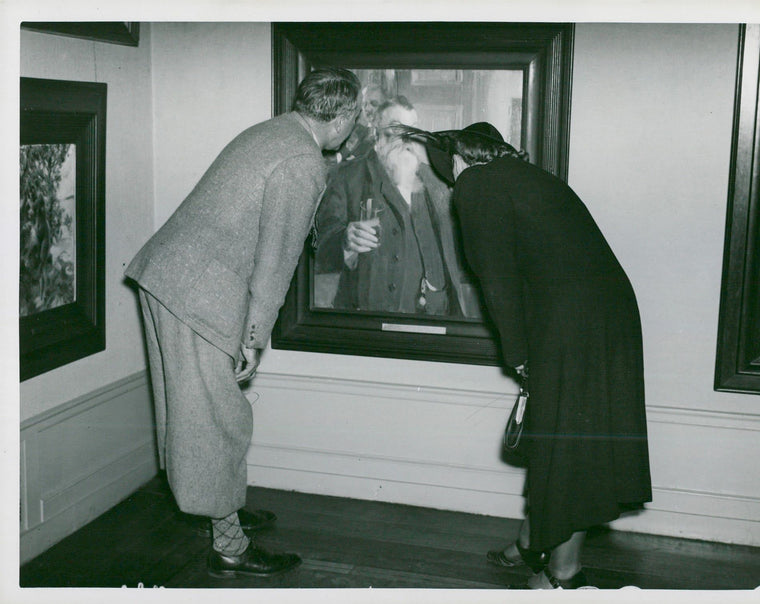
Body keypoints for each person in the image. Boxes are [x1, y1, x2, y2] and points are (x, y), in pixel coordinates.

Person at [124, 67, 361, 579]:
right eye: (355, 115)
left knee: (190, 415)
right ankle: (229, 546)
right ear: (341, 117)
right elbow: (275, 262)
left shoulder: (274, 130)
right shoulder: (303, 162)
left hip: (168, 275)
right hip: (196, 291)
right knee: (217, 419)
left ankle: (219, 507)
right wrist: (255, 336)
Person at [403, 122, 652, 589]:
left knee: (569, 444)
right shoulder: (525, 175)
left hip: (573, 323)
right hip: (604, 316)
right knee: (560, 431)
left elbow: (496, 281)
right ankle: (529, 543)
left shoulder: (475, 185)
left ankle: (562, 575)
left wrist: (518, 354)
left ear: (454, 164)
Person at [314, 97, 471, 316]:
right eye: (397, 130)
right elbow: (318, 247)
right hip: (371, 318)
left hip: (434, 317)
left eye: (412, 130)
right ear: (377, 136)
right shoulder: (346, 177)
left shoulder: (435, 179)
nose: (406, 140)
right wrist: (345, 241)